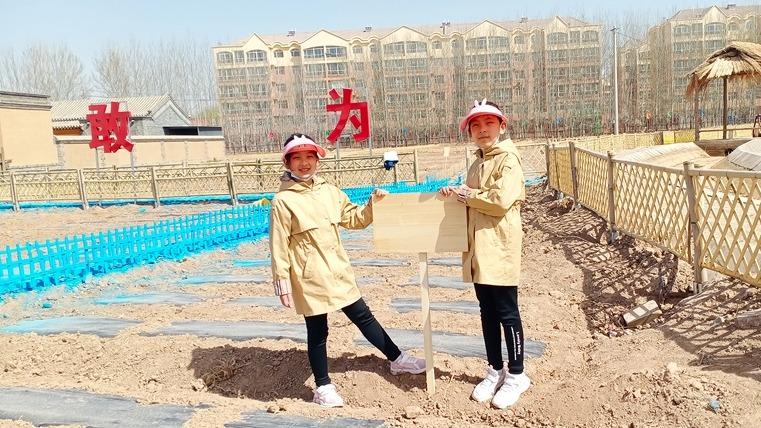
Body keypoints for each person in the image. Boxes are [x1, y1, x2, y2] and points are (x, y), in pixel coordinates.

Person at [269, 133, 426, 408]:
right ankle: (323, 387)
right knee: (318, 331)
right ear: (288, 163)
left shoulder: (329, 192)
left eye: (309, 156)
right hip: (310, 277)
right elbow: (279, 245)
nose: (304, 163)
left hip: (338, 270)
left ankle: (397, 359)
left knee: (364, 316)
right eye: (297, 158)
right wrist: (282, 282)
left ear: (317, 160)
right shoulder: (282, 202)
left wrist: (372, 205)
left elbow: (355, 219)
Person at [439, 99, 530, 409]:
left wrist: (467, 194)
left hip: (499, 247)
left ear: (502, 126)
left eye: (489, 123)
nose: (482, 130)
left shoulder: (509, 160)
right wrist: (453, 194)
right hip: (479, 247)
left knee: (507, 311)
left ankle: (517, 374)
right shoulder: (477, 163)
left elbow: (501, 200)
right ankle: (494, 370)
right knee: (486, 311)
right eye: (475, 125)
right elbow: (469, 200)